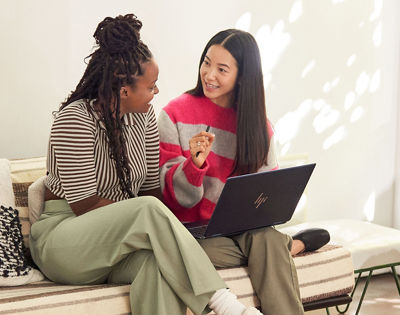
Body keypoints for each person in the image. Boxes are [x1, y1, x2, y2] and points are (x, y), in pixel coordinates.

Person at [29, 15, 263, 315]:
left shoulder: (145, 118)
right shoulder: (75, 120)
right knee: (146, 212)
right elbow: (85, 206)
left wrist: (163, 234)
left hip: (116, 245)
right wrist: (148, 224)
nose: (156, 94)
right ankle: (225, 305)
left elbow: (152, 193)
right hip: (65, 243)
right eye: (150, 87)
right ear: (124, 90)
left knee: (160, 265)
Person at [158, 29, 330, 315]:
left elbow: (268, 196)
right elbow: (174, 199)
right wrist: (194, 166)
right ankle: (293, 245)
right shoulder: (174, 114)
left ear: (243, 76)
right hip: (195, 235)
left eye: (222, 69)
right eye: (206, 62)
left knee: (266, 237)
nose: (209, 74)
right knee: (263, 246)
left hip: (246, 231)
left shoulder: (258, 126)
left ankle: (285, 244)